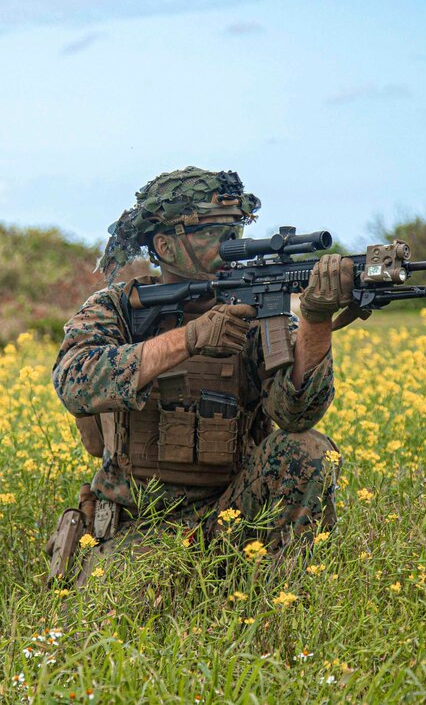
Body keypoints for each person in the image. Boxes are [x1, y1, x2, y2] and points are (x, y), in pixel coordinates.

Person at [49, 167, 357, 583]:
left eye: (234, 228)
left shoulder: (252, 308)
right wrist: (189, 339)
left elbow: (297, 416)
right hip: (142, 524)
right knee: (125, 625)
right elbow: (75, 381)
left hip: (233, 513)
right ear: (165, 245)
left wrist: (315, 321)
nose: (229, 242)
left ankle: (282, 602)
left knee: (307, 449)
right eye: (211, 231)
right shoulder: (118, 309)